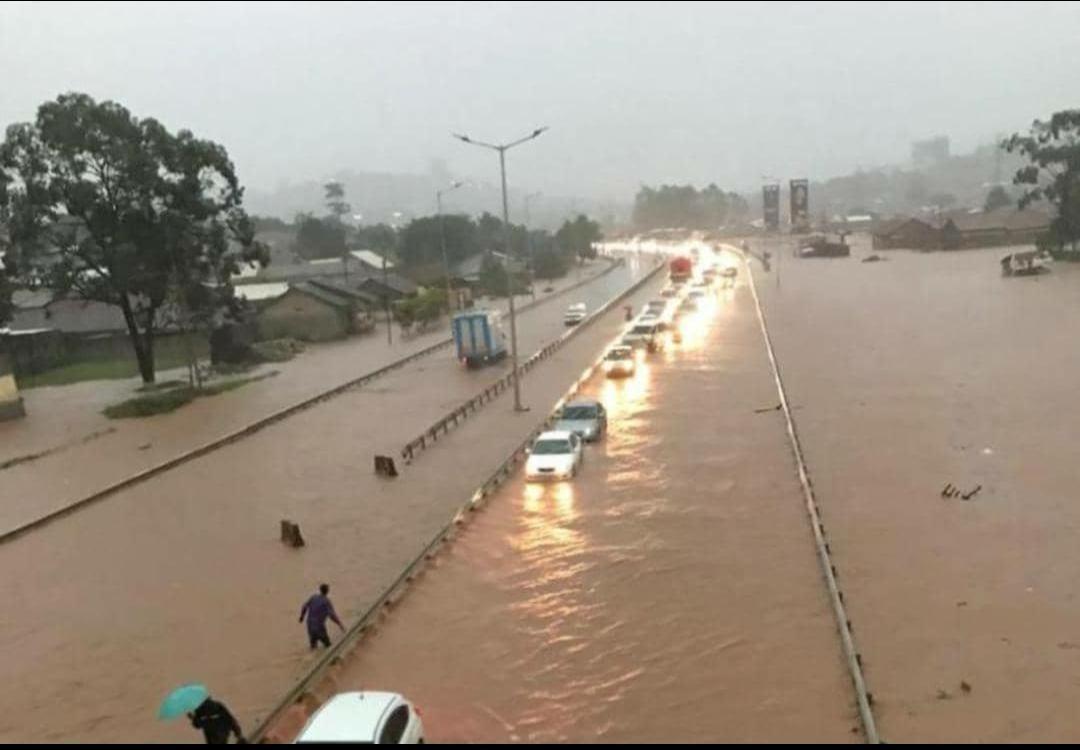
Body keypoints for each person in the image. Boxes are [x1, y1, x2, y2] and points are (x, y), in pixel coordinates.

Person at [299, 583, 345, 649]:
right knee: (328, 646)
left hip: (310, 625)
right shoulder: (326, 601)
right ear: (327, 591)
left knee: (313, 646)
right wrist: (340, 624)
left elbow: (304, 606)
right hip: (319, 626)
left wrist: (302, 617)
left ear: (320, 590)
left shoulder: (313, 597)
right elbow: (332, 615)